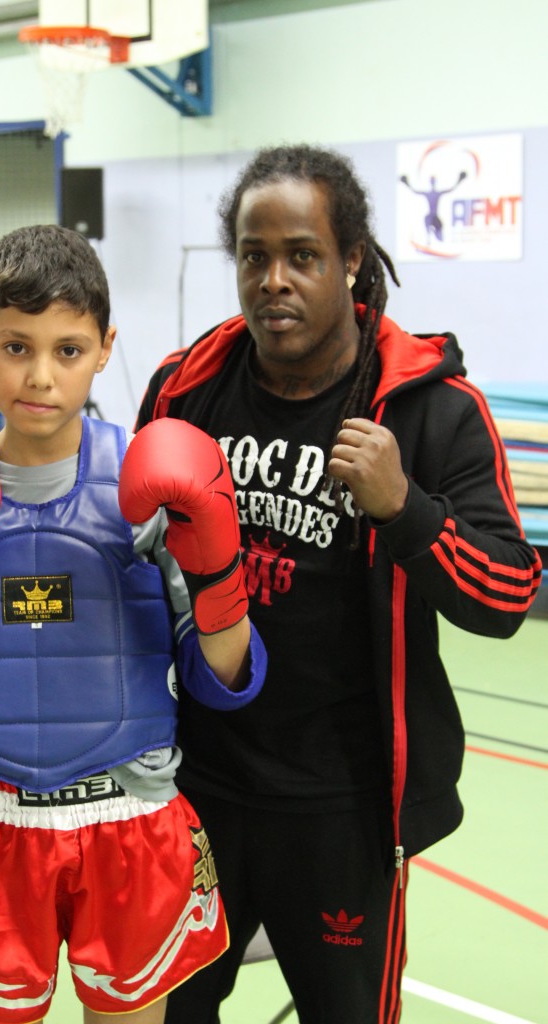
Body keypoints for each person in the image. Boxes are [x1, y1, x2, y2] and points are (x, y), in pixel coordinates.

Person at [135, 145, 543, 1024]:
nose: (274, 280)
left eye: (303, 256)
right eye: (254, 256)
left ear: (352, 259)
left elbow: (510, 595)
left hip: (344, 808)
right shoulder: (186, 390)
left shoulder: (432, 409)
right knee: (168, 1013)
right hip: (195, 788)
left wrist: (407, 510)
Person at [0, 224, 267, 1024]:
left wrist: (219, 567)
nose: (40, 375)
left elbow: (223, 682)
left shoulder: (148, 483)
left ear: (106, 347)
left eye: (68, 350)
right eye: (16, 347)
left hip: (131, 817)